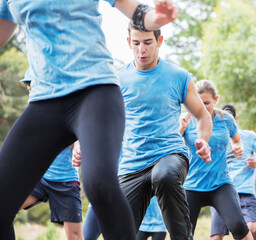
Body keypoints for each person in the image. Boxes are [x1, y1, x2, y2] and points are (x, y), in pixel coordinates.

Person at [0, 0, 178, 239]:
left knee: (99, 184)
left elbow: (137, 12)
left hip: (96, 91)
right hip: (45, 100)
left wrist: (156, 18)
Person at [74, 22, 212, 240]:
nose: (142, 50)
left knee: (164, 175)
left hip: (170, 155)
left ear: (159, 40)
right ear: (129, 42)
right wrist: (81, 143)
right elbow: (98, 118)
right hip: (132, 165)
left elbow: (202, 115)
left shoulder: (178, 76)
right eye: (136, 43)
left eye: (148, 42)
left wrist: (203, 140)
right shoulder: (117, 80)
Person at [179, 80, 253, 240]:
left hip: (220, 183)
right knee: (182, 234)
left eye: (207, 102)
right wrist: (180, 130)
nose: (202, 107)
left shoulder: (226, 119)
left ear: (216, 100)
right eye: (198, 102)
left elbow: (237, 140)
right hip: (192, 185)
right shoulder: (186, 120)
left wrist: (238, 146)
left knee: (239, 226)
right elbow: (171, 146)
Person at [19, 80, 83, 240]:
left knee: (74, 236)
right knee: (6, 208)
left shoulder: (65, 107)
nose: (31, 92)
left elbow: (77, 135)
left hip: (65, 181)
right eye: (29, 89)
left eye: (34, 88)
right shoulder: (32, 112)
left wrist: (78, 147)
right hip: (39, 177)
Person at [210, 104, 256, 240]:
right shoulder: (214, 137)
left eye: (229, 119)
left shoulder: (248, 136)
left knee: (254, 228)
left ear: (235, 119)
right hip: (220, 190)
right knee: (216, 237)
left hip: (245, 191)